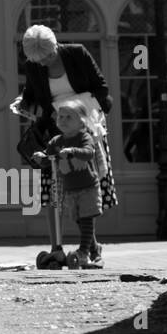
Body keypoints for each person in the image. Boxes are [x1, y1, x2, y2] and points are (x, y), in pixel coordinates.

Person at [11, 24, 118, 253]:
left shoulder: (77, 53)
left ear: (56, 46)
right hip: (54, 132)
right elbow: (32, 94)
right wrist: (23, 104)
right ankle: (56, 247)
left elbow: (102, 88)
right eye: (38, 61)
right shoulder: (34, 65)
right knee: (52, 190)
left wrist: (78, 110)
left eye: (48, 57)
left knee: (86, 188)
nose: (44, 63)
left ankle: (90, 245)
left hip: (84, 128)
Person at [32, 96, 105, 267]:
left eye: (68, 117)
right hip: (69, 189)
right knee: (80, 220)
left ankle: (84, 251)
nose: (63, 120)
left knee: (86, 219)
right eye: (60, 117)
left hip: (88, 187)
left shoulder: (83, 137)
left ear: (82, 122)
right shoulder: (56, 141)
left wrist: (73, 151)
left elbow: (88, 152)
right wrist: (41, 157)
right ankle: (95, 250)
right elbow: (48, 157)